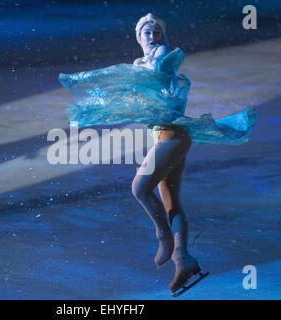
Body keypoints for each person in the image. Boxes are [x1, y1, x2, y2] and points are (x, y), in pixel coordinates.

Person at [59, 13, 259, 294]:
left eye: (157, 32)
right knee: (171, 202)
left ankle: (163, 236)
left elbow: (159, 73)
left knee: (139, 188)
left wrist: (154, 58)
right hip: (166, 136)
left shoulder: (162, 59)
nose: (153, 37)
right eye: (147, 32)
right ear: (138, 37)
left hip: (174, 136)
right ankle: (183, 259)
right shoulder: (138, 66)